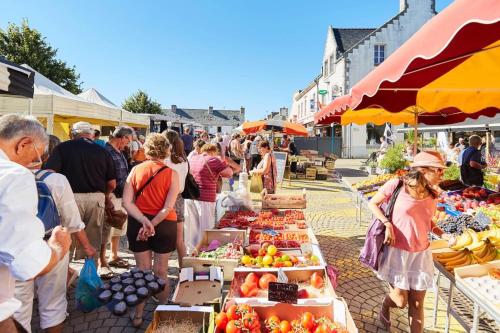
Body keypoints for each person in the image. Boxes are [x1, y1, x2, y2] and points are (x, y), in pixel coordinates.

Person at [14, 134, 96, 333]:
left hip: (15, 248)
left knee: (18, 308)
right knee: (53, 301)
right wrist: (87, 247)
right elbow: (72, 221)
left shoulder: (7, 177)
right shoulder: (56, 180)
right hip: (52, 244)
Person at [0, 115, 71, 332]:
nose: (37, 164)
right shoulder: (14, 175)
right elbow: (29, 265)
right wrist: (57, 248)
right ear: (24, 144)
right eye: (37, 156)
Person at [368, 151, 451, 332]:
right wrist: (387, 223)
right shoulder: (396, 185)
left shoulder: (433, 194)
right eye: (438, 170)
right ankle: (385, 304)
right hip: (397, 252)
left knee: (417, 303)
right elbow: (372, 203)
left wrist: (442, 234)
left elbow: (427, 221)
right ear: (423, 170)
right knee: (400, 300)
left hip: (421, 254)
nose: (442, 174)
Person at [44, 121, 117, 279]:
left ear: (73, 133)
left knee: (66, 237)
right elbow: (112, 183)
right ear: (91, 134)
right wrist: (104, 196)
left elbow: (49, 173)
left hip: (69, 198)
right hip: (96, 198)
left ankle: (64, 274)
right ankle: (91, 275)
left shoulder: (62, 148)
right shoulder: (102, 151)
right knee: (94, 239)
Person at [122, 133, 179, 327]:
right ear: (166, 150)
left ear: (147, 149)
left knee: (142, 271)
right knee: (161, 270)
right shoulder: (172, 173)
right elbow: (167, 208)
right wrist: (152, 223)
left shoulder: (136, 170)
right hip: (164, 225)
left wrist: (143, 221)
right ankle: (163, 311)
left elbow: (126, 202)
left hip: (138, 223)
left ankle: (138, 316)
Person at [184, 143, 237, 253]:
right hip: (205, 197)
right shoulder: (213, 160)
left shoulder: (192, 158)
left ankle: (191, 252)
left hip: (190, 197)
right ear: (213, 151)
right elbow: (229, 172)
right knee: (206, 227)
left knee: (191, 227)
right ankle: (204, 252)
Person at [103, 126, 134, 269]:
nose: (128, 144)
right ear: (122, 138)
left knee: (118, 225)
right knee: (107, 228)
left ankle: (113, 255)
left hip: (121, 194)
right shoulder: (106, 151)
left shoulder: (120, 152)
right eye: (128, 140)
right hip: (111, 195)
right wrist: (106, 196)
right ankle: (102, 260)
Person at [162, 130, 189, 268]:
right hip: (178, 199)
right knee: (179, 240)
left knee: (162, 238)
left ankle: (161, 270)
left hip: (163, 199)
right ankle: (184, 271)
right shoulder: (183, 160)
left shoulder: (164, 161)